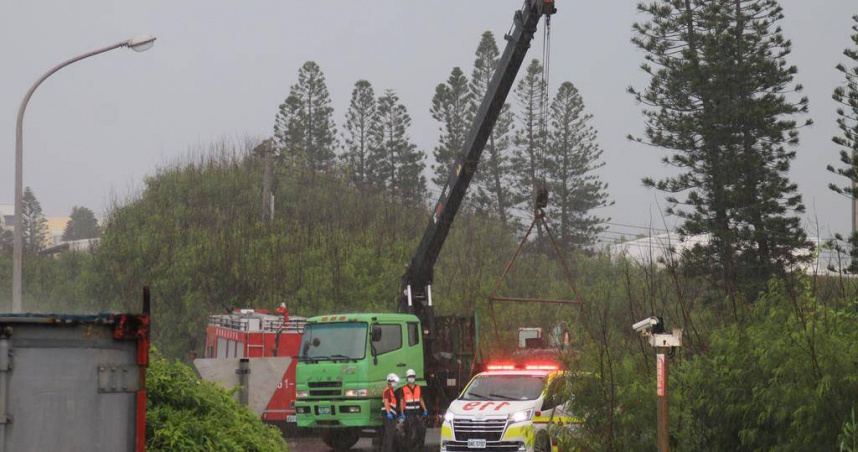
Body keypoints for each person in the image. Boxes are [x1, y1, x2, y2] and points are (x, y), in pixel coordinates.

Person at [399, 369, 428, 451]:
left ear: (414, 377)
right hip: (408, 414)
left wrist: (425, 409)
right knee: (409, 433)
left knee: (421, 431)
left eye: (412, 377)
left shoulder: (418, 388)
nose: (411, 378)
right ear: (407, 378)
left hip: (417, 413)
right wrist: (402, 413)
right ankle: (409, 449)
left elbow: (421, 399)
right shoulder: (403, 389)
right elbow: (401, 401)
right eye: (410, 377)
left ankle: (419, 448)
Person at [381, 373, 399, 452]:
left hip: (391, 415)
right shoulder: (387, 390)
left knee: (389, 435)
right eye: (394, 381)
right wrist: (388, 413)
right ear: (390, 381)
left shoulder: (391, 391)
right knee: (389, 435)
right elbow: (386, 402)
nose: (395, 383)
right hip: (388, 415)